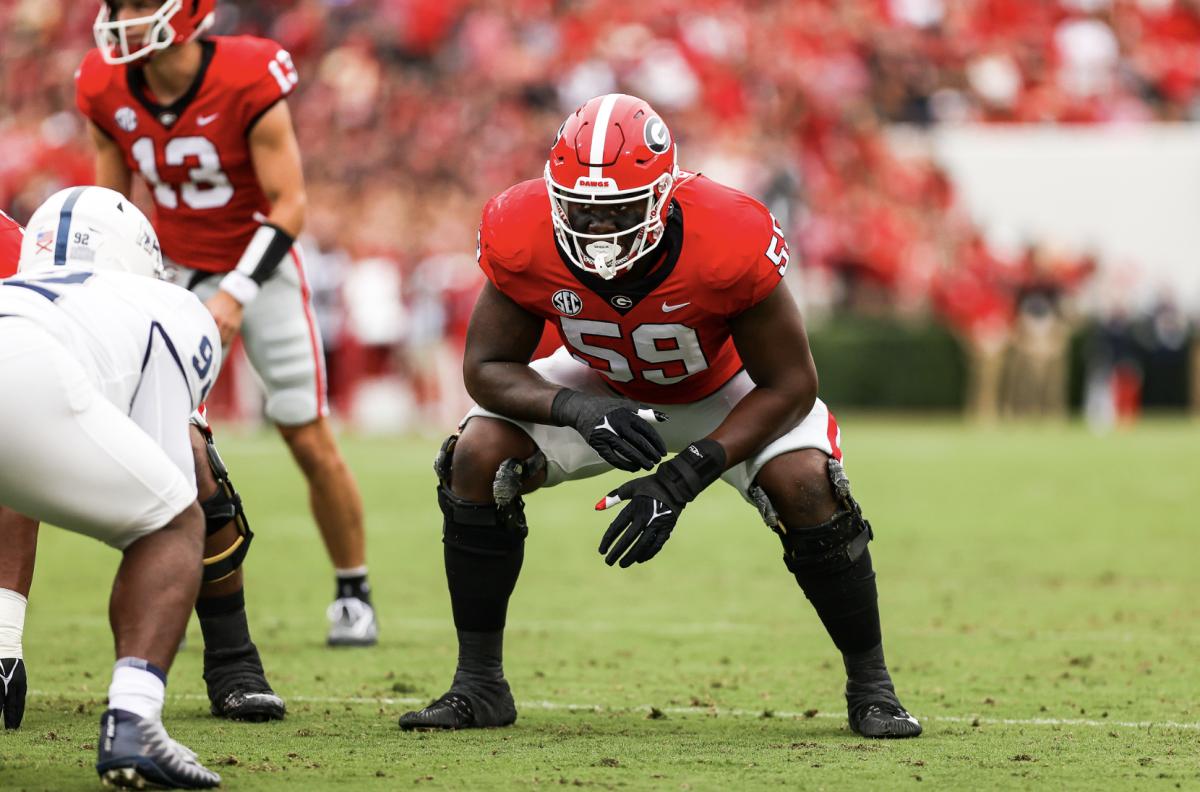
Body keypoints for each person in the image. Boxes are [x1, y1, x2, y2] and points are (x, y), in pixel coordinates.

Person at [399, 94, 921, 739]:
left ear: (665, 192)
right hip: (604, 386)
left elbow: (789, 383)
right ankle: (478, 685)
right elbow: (486, 367)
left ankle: (872, 688)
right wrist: (577, 407)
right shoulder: (520, 224)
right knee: (475, 457)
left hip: (729, 392)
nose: (597, 226)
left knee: (807, 486)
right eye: (581, 208)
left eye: (616, 207)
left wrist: (683, 478)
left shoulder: (728, 233)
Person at [77, 0, 377, 645]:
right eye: (118, 5)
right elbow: (114, 205)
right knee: (165, 438)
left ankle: (354, 589)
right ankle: (179, 595)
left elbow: (290, 203)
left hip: (259, 265)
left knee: (304, 430)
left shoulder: (246, 72)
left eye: (138, 4)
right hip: (172, 269)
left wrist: (237, 293)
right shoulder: (101, 83)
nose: (124, 17)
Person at [0, 206, 284, 728]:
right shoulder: (173, 304)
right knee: (178, 510)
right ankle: (132, 718)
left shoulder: (13, 245)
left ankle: (232, 659)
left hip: (78, 382)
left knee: (197, 469)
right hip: (41, 385)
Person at [0, 186, 221, 787]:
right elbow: (168, 476)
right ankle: (133, 720)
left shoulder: (13, 287)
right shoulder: (167, 303)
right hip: (25, 377)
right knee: (173, 522)